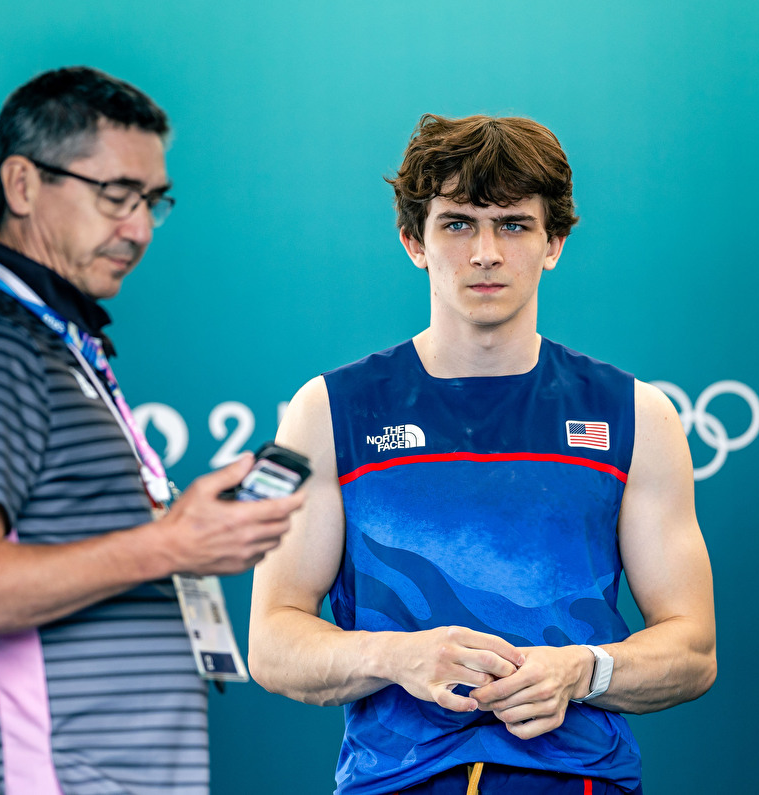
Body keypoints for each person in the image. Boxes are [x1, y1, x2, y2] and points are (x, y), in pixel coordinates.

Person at [249, 114, 716, 794]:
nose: (487, 252)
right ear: (415, 239)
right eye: (459, 223)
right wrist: (398, 655)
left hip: (578, 778)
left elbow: (693, 648)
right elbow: (271, 642)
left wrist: (583, 670)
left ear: (554, 241)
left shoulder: (636, 414)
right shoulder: (328, 410)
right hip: (395, 780)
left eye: (515, 224)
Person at [0, 66, 303, 795]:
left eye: (151, 201)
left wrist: (180, 532)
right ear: (22, 185)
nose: (137, 228)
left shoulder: (53, 340)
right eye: (115, 195)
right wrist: (170, 542)